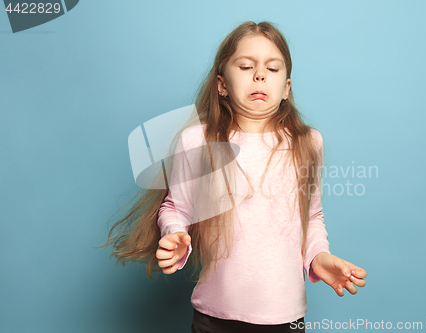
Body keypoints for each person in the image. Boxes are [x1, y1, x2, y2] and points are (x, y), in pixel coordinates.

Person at [100, 21, 366, 333]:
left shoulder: (307, 143)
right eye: (246, 66)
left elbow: (311, 216)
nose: (260, 75)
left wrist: (318, 257)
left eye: (273, 68)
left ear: (286, 88)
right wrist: (175, 234)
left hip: (284, 317)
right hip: (215, 319)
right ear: (221, 84)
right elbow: (176, 207)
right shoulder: (197, 141)